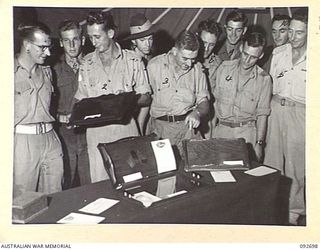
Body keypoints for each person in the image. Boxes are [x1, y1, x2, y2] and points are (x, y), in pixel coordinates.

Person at [74, 11, 151, 183]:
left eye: (97, 37)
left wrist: (125, 102)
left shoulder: (133, 61)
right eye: (90, 37)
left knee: (132, 182)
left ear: (110, 33)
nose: (93, 43)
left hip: (125, 129)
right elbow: (81, 100)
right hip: (97, 134)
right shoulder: (86, 64)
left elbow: (146, 97)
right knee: (101, 187)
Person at [264, 9, 307, 226]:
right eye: (290, 31)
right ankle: (271, 205)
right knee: (272, 160)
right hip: (276, 108)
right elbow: (270, 83)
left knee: (296, 165)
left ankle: (293, 211)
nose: (292, 37)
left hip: (301, 113)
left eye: (299, 33)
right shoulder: (280, 53)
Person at [13, 23, 63, 197]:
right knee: (24, 201)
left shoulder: (47, 72)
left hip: (51, 139)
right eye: (42, 48)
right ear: (27, 45)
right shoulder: (9, 72)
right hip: (22, 142)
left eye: (49, 48)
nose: (47, 53)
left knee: (55, 196)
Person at [147, 30, 210, 155]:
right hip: (161, 130)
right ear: (174, 51)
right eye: (185, 58)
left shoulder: (198, 70)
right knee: (165, 171)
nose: (189, 63)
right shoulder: (154, 66)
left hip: (187, 129)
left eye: (193, 59)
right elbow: (146, 101)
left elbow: (204, 102)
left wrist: (196, 113)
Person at [213, 32, 272, 162]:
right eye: (245, 54)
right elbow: (215, 103)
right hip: (222, 132)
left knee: (243, 178)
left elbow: (262, 115)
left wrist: (259, 144)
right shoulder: (224, 68)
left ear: (261, 56)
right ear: (241, 48)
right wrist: (210, 136)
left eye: (253, 57)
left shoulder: (264, 79)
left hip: (247, 135)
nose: (247, 60)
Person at [53, 20, 91, 189]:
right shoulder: (53, 70)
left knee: (91, 182)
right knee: (66, 183)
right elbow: (46, 106)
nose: (72, 45)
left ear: (82, 40)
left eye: (75, 39)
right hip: (64, 134)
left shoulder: (92, 65)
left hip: (88, 132)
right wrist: (59, 117)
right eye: (66, 40)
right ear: (61, 43)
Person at [124, 13, 158, 135]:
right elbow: (144, 102)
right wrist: (139, 130)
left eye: (150, 39)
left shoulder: (150, 59)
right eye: (142, 40)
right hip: (132, 119)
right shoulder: (131, 61)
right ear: (134, 40)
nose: (147, 44)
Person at [197, 19, 222, 138]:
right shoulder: (185, 60)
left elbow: (217, 100)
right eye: (203, 42)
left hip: (207, 121)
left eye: (211, 44)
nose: (206, 48)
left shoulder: (219, 65)